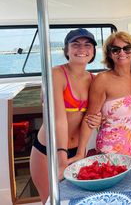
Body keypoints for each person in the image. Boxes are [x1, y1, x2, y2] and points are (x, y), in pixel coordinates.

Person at [30, 28, 101, 204]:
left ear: (93, 52)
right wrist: (62, 158)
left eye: (87, 45)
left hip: (78, 151)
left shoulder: (95, 79)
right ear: (66, 50)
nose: (81, 49)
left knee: (77, 200)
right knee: (50, 201)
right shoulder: (55, 74)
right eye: (75, 44)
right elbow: (58, 119)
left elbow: (93, 115)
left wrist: (99, 119)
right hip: (49, 150)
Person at [69, 31, 131, 161]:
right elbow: (90, 119)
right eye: (116, 49)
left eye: (127, 48)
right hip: (111, 148)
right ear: (109, 54)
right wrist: (80, 153)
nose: (122, 53)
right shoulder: (102, 80)